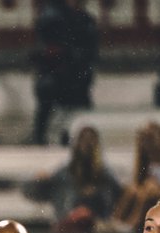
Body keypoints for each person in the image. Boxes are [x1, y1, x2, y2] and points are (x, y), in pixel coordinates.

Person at [23, 124, 120, 233]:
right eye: (83, 139)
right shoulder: (63, 175)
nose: (87, 144)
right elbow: (30, 192)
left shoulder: (106, 177)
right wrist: (39, 181)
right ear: (76, 144)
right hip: (68, 231)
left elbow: (118, 200)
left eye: (91, 140)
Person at [31, 0, 99, 145]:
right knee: (49, 107)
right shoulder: (51, 16)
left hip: (77, 74)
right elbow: (46, 45)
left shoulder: (84, 19)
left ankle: (71, 139)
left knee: (77, 110)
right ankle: (41, 140)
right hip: (55, 74)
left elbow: (91, 49)